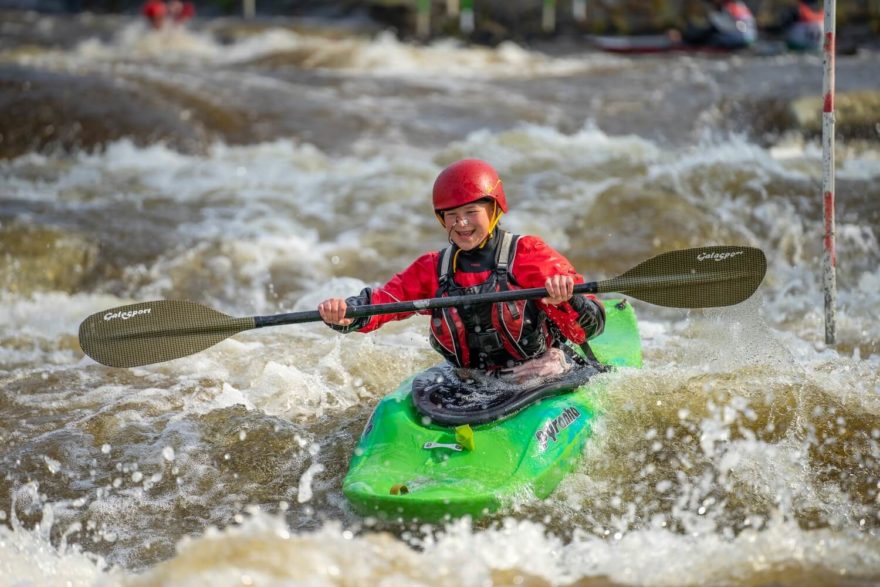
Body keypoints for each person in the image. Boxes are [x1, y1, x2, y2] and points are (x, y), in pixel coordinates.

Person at [318, 159, 606, 385]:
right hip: (470, 381)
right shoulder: (433, 268)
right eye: (452, 215)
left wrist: (566, 300)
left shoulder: (529, 255)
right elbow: (385, 302)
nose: (462, 224)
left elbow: (589, 327)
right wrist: (348, 313)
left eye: (471, 212)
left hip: (539, 375)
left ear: (494, 210)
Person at [670, 0, 757, 50]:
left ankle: (684, 42)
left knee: (712, 38)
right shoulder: (732, 6)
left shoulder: (733, 6)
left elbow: (742, 27)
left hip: (739, 38)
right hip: (743, 37)